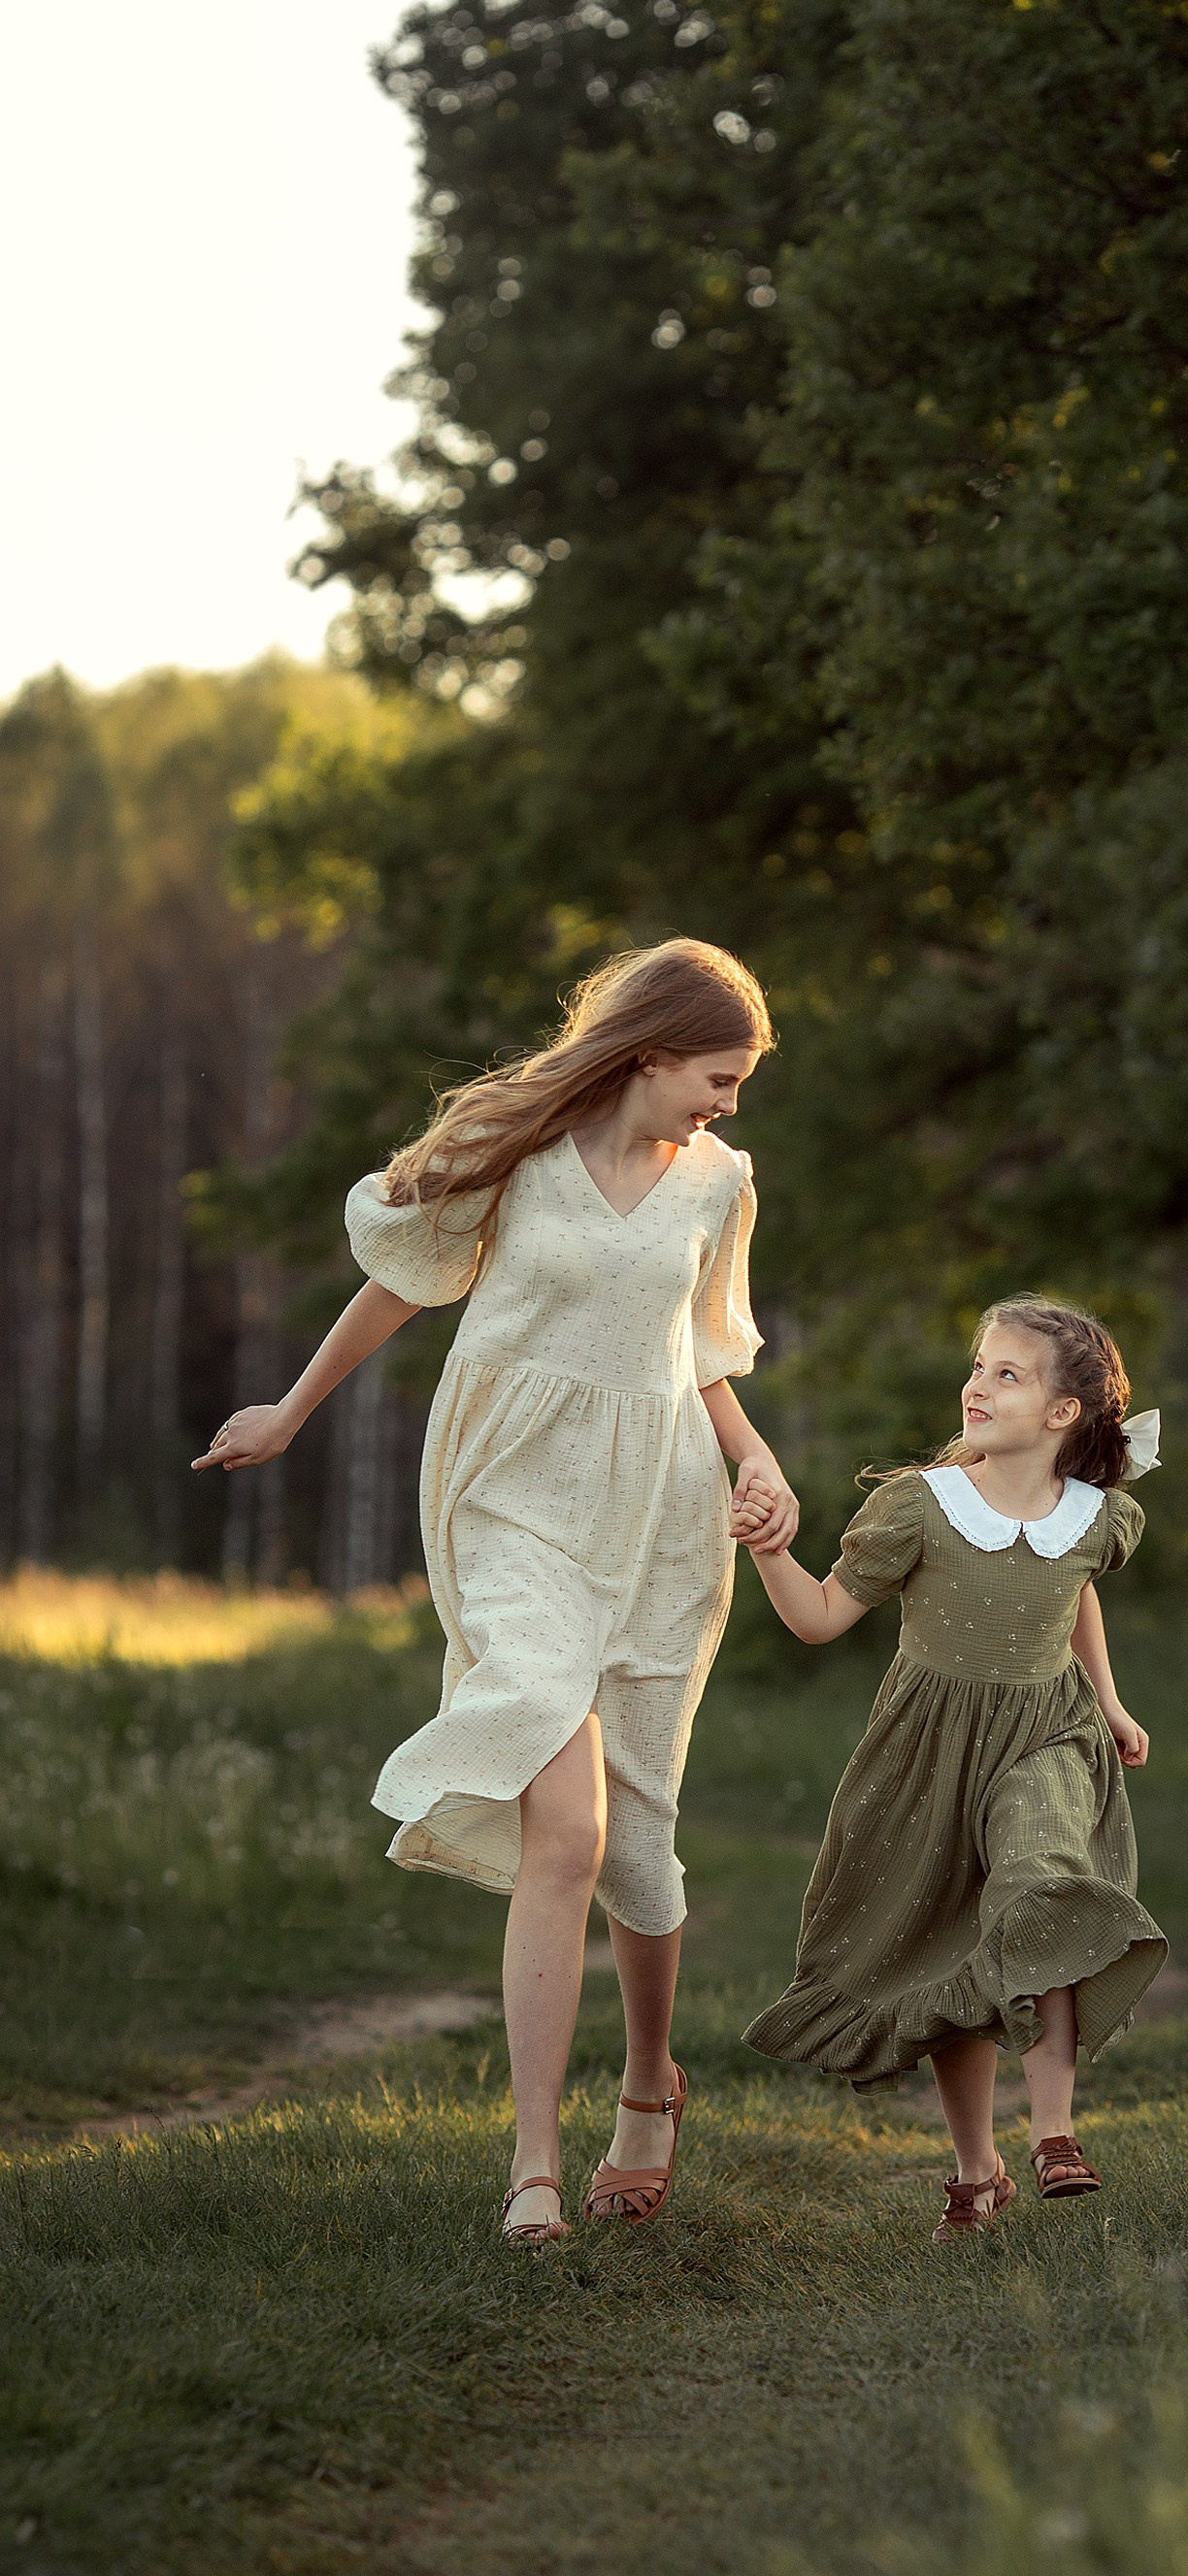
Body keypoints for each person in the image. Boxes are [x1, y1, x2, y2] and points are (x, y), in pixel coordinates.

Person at [193, 939, 799, 2244]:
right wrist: (292, 1411)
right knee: (560, 1821)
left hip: (659, 1516)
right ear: (649, 1055)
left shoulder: (717, 1186)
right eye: (720, 1075)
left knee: (635, 1839)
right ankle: (532, 2166)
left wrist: (760, 1471)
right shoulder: (521, 1161)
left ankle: (649, 2084)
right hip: (513, 1495)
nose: (728, 1103)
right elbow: (399, 1285)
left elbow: (701, 1358)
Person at [740, 1295, 1167, 2239]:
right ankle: (977, 2168)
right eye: (978, 1366)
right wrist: (769, 1550)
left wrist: (1106, 1700)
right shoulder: (919, 1508)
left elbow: (1072, 1593)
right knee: (950, 1954)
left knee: (1041, 1889)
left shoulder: (1093, 1516)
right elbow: (815, 1619)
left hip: (1044, 1739)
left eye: (1005, 1374)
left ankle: (1052, 2131)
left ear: (1062, 1413)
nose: (976, 1385)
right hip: (929, 1756)